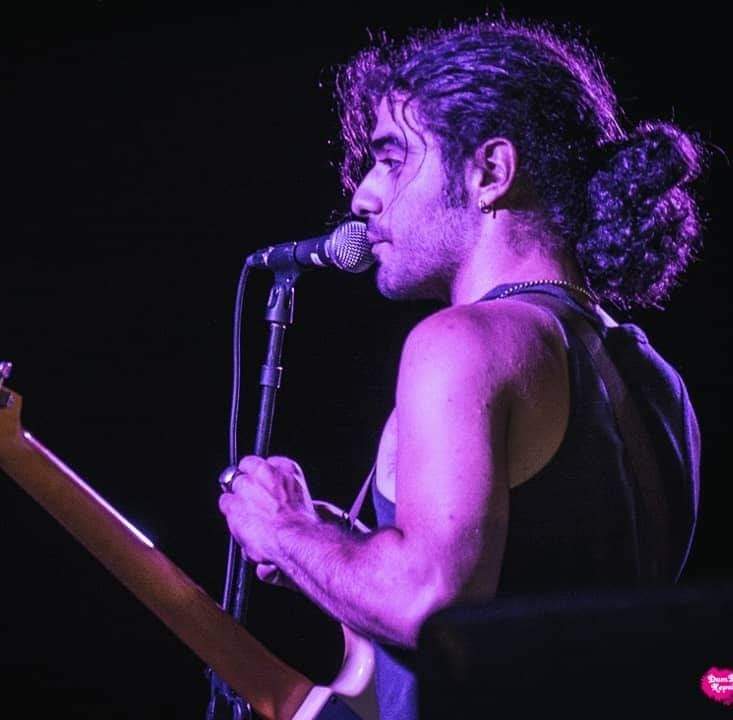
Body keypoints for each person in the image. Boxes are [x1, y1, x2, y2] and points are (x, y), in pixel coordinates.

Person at [219, 16, 703, 719]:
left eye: (392, 158)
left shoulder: (462, 341)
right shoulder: (657, 379)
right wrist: (338, 550)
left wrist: (284, 529)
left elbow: (432, 604)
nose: (363, 196)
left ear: (489, 172)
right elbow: (540, 605)